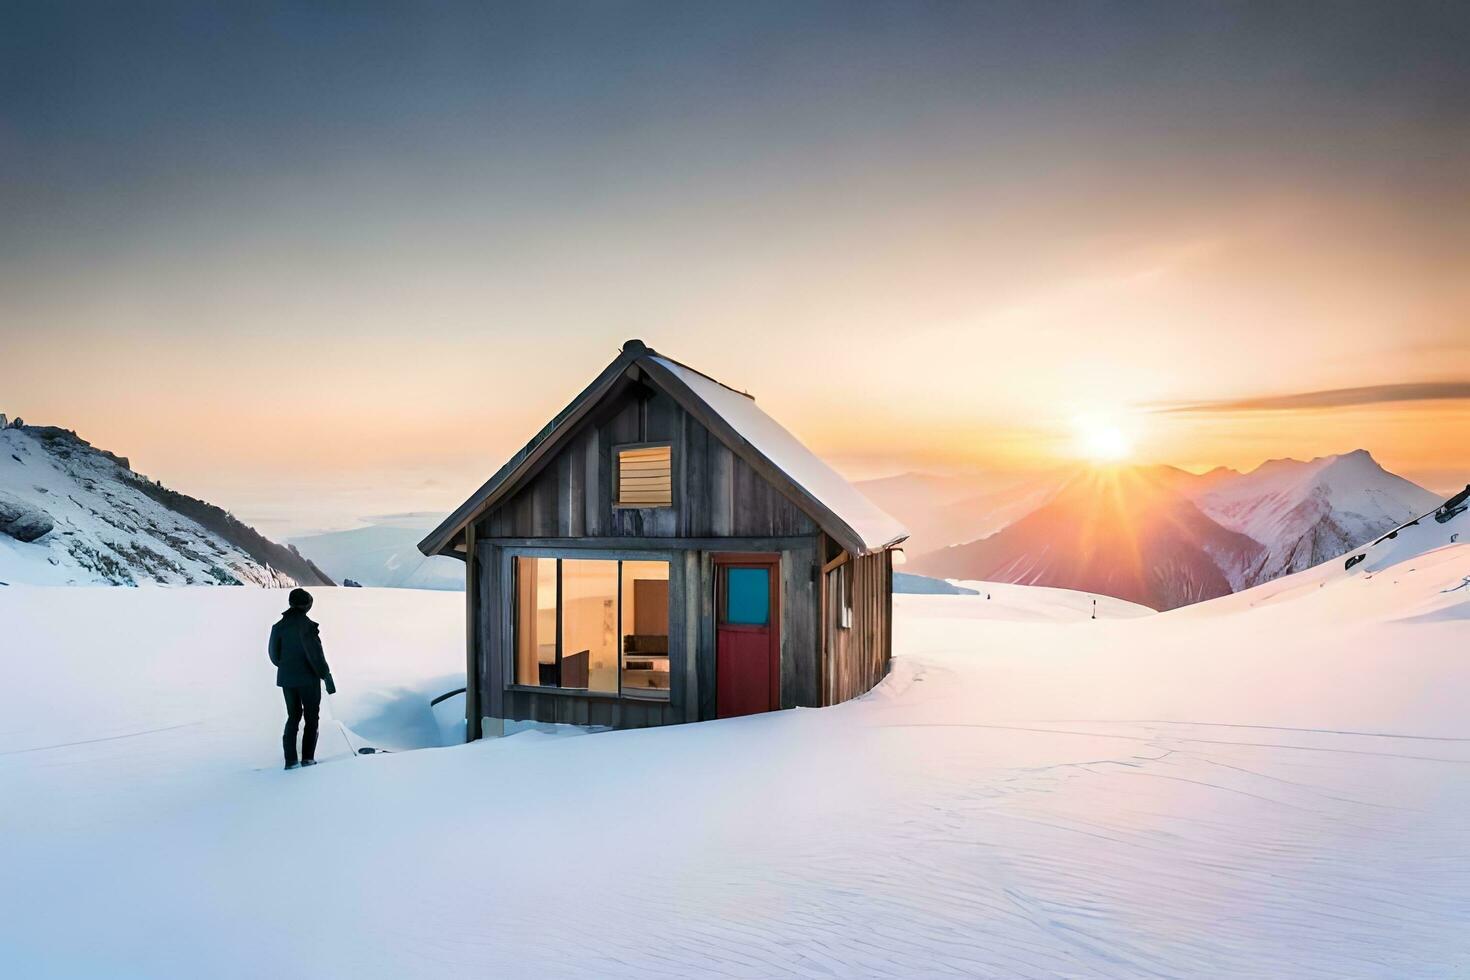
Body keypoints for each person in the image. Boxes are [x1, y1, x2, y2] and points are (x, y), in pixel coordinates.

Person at [268, 588, 336, 770]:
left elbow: (274, 656)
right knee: (311, 717)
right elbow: (316, 656)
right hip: (308, 680)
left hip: (287, 679)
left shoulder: (278, 627)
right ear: (306, 605)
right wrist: (326, 675)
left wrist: (288, 667)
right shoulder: (308, 627)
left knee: (293, 716)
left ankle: (290, 761)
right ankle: (307, 758)